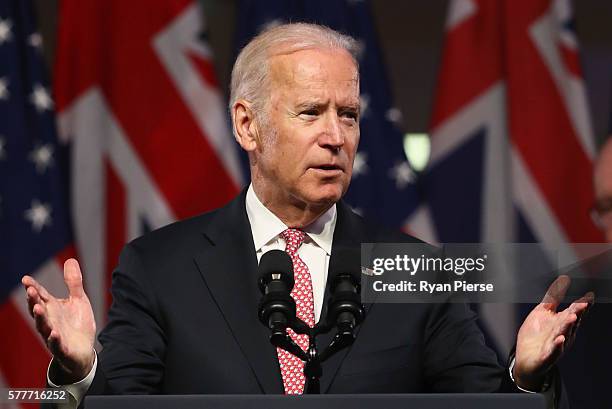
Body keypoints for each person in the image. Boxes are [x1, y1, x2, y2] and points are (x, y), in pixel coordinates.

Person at [22, 23, 589, 408]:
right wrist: (78, 375)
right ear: (248, 126)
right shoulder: (160, 267)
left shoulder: (413, 268)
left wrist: (526, 376)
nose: (336, 137)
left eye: (348, 114)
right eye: (311, 112)